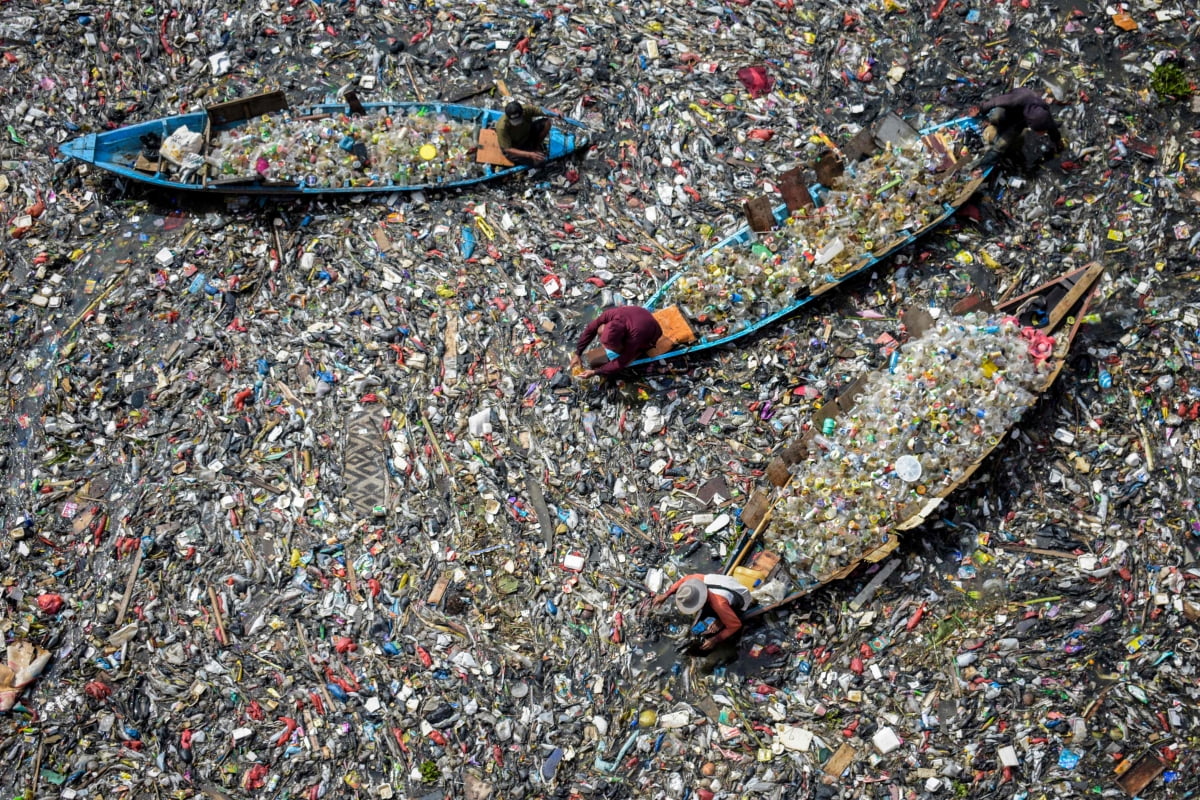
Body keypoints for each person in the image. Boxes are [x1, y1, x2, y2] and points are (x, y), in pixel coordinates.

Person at [653, 573, 753, 650]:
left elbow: (735, 625)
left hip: (741, 598)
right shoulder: (695, 580)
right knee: (715, 614)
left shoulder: (718, 604)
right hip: (728, 585)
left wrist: (715, 639)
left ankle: (723, 618)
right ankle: (722, 618)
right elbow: (683, 580)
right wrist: (666, 595)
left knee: (724, 621)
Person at [970, 87, 1065, 167]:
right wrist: (980, 109)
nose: (1042, 133)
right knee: (996, 117)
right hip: (1011, 109)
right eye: (1039, 131)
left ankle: (984, 161)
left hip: (1021, 117)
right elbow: (995, 101)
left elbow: (1052, 128)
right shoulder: (1014, 100)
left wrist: (1058, 141)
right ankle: (992, 124)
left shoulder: (1043, 115)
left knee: (1003, 144)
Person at [570, 305, 662, 378]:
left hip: (652, 334)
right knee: (600, 329)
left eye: (608, 346)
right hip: (639, 316)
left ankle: (638, 351)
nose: (605, 348)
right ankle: (615, 347)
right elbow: (591, 329)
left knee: (627, 358)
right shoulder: (611, 314)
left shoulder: (634, 338)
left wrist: (595, 372)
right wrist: (578, 353)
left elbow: (621, 362)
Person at [495, 101, 550, 165]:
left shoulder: (526, 110)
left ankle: (536, 146)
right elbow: (508, 149)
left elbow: (542, 111)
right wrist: (529, 155)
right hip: (515, 147)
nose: (517, 124)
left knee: (547, 123)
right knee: (539, 162)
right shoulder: (502, 127)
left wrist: (554, 113)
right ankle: (530, 152)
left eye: (518, 119)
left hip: (527, 135)